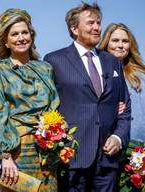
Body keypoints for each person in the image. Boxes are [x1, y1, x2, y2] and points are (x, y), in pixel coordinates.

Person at [44, 3, 131, 192]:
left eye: (98, 22)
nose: (97, 27)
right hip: (73, 157)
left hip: (107, 160)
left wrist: (118, 136)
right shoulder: (54, 60)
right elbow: (48, 108)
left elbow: (125, 107)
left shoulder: (112, 61)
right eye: (91, 22)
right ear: (74, 29)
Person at [0, 8, 60, 191]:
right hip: (16, 151)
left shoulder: (45, 68)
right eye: (14, 34)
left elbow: (54, 107)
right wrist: (5, 155)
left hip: (46, 151)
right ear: (6, 41)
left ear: (31, 36)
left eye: (24, 32)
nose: (21, 38)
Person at [99, 23, 145, 142]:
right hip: (106, 142)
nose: (120, 45)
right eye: (115, 40)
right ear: (106, 43)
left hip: (137, 144)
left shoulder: (140, 75)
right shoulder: (95, 71)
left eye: (125, 41)